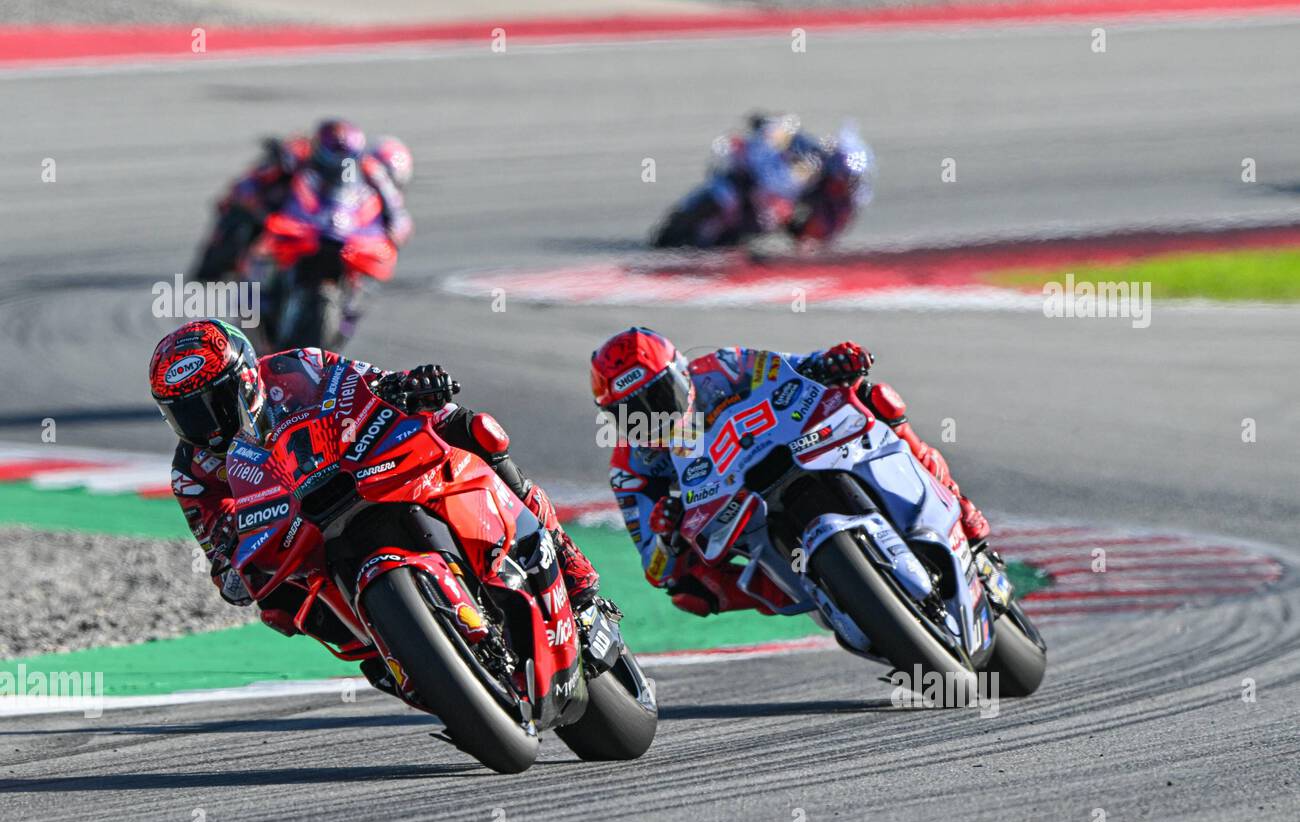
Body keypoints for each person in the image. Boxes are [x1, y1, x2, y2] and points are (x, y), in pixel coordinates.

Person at [149, 319, 598, 700]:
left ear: (245, 378)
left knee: (469, 428)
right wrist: (236, 560)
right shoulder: (193, 473)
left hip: (358, 464)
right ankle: (384, 652)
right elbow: (222, 559)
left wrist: (410, 386)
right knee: (276, 604)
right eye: (184, 414)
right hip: (300, 526)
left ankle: (572, 574)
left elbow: (368, 383)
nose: (204, 426)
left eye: (213, 404)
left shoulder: (299, 367)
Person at [589, 326, 988, 617]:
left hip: (790, 448)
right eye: (632, 411)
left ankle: (955, 500)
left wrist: (830, 362)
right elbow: (654, 568)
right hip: (731, 512)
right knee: (687, 590)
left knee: (873, 396)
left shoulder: (721, 367)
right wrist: (665, 536)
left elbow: (792, 369)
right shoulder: (631, 468)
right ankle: (804, 593)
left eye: (658, 397)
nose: (652, 416)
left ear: (681, 373)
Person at [195, 120, 412, 280]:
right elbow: (249, 184)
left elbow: (395, 207)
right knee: (239, 217)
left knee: (372, 267)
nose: (335, 161)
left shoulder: (369, 168)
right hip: (291, 217)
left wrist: (396, 229)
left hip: (339, 228)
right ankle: (222, 265)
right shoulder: (297, 153)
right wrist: (252, 200)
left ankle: (350, 299)